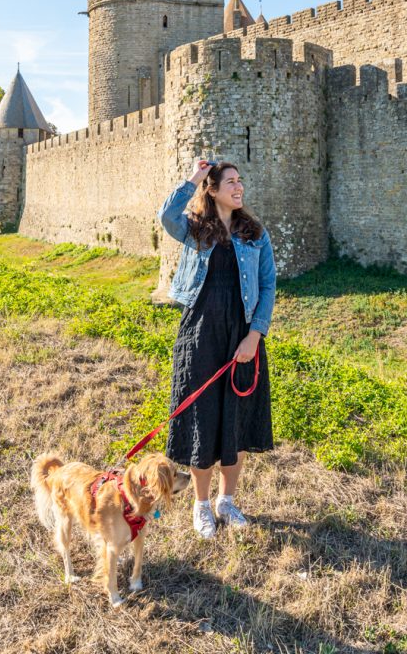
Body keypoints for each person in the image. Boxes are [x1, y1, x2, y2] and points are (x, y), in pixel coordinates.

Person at [157, 158, 276, 538]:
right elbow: (166, 215)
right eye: (230, 183)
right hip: (201, 333)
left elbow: (268, 285)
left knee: (236, 419)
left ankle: (227, 500)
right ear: (212, 190)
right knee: (202, 419)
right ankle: (202, 504)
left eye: (240, 181)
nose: (238, 188)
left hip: (242, 335)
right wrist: (193, 176)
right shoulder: (195, 230)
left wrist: (254, 335)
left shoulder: (256, 234)